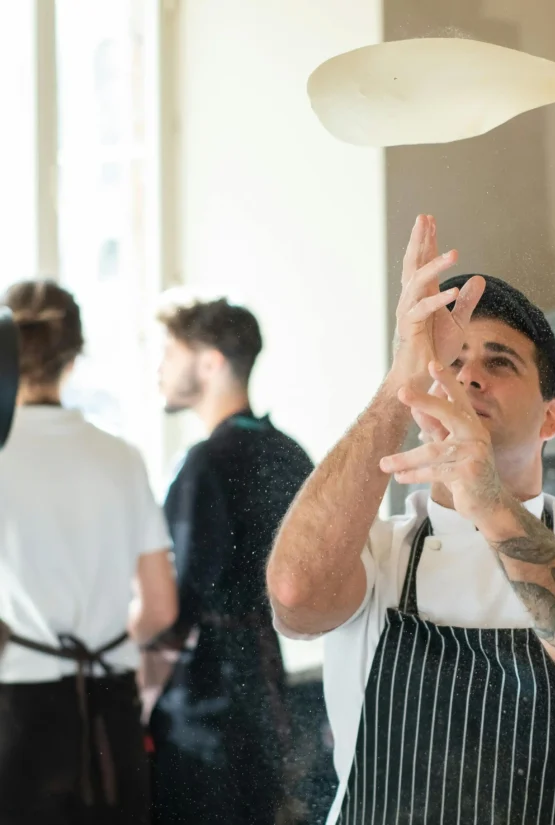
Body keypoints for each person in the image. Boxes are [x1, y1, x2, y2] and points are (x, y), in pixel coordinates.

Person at [267, 215, 555, 825]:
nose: (468, 376)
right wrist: (400, 381)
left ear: (552, 419)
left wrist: (488, 501)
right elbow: (295, 598)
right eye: (452, 362)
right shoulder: (375, 552)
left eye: (500, 363)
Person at [0, 280, 178, 825]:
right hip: (109, 709)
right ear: (74, 356)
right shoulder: (122, 457)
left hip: (17, 711)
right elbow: (159, 610)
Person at [151, 294, 314, 825]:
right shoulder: (290, 454)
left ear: (210, 361)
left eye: (171, 353)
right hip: (268, 701)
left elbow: (178, 603)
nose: (161, 369)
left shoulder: (204, 464)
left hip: (204, 713)